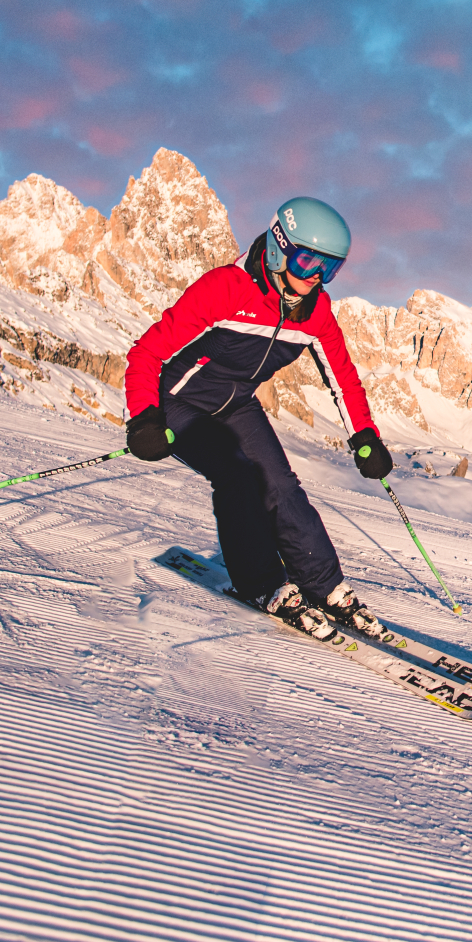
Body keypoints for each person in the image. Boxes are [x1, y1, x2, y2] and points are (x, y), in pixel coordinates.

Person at [121, 196, 394, 637]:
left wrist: (365, 436)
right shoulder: (225, 289)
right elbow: (147, 352)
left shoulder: (315, 312)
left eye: (330, 268)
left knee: (281, 483)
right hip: (179, 401)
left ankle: (324, 585)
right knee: (238, 476)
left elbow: (343, 378)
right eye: (308, 261)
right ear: (279, 247)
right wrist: (143, 419)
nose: (316, 276)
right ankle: (262, 584)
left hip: (236, 404)